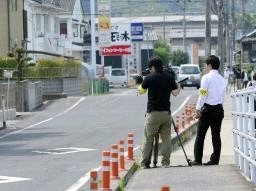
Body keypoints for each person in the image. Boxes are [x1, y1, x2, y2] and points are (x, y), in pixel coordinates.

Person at [138, 57, 181, 169]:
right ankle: (165, 163)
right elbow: (175, 93)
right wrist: (178, 86)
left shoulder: (149, 78)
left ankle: (144, 163)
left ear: (152, 67)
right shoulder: (169, 77)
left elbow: (140, 91)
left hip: (153, 114)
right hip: (166, 114)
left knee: (148, 139)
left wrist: (143, 82)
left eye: (150, 68)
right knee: (166, 138)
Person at [192, 55, 226, 166]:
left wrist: (197, 109)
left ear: (210, 65)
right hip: (219, 109)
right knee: (216, 135)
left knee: (200, 135)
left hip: (207, 109)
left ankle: (197, 160)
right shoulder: (223, 79)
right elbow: (223, 97)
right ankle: (215, 160)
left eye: (206, 65)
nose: (206, 67)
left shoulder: (206, 78)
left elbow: (203, 94)